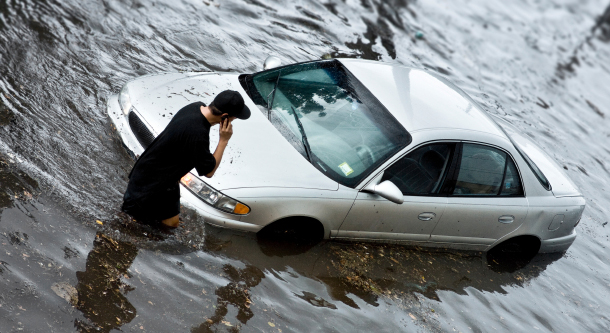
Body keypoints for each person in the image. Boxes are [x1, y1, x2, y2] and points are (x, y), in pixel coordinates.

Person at [121, 90, 251, 227]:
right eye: (234, 118)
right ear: (225, 116)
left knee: (171, 225)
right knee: (130, 224)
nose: (233, 121)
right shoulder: (198, 133)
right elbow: (209, 171)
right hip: (149, 186)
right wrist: (224, 140)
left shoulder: (195, 107)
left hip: (162, 178)